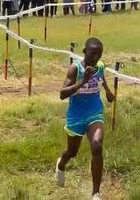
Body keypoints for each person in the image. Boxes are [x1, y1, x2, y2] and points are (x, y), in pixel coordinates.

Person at [56, 37, 115, 200]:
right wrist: (82, 82)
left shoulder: (100, 66)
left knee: (97, 146)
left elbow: (102, 79)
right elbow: (62, 94)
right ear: (84, 52)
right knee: (72, 152)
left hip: (94, 112)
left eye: (99, 54)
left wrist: (108, 92)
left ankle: (95, 193)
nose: (96, 57)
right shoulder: (75, 69)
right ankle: (61, 163)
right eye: (92, 53)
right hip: (76, 116)